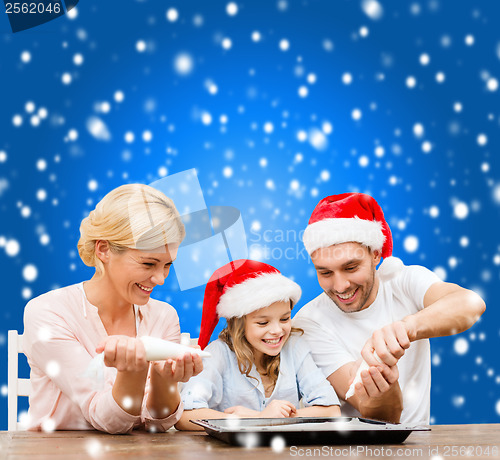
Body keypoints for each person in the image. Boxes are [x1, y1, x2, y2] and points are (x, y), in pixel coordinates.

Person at [23, 183, 203, 434]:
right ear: (104, 249)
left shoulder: (164, 316)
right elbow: (108, 420)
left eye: (167, 265)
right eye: (149, 263)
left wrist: (165, 380)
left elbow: (159, 423)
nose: (161, 279)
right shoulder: (48, 312)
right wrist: (134, 371)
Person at [293, 193, 485, 425]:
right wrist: (385, 387)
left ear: (375, 254)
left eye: (351, 267)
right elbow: (377, 416)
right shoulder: (309, 323)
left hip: (419, 446)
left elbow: (471, 304)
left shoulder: (404, 282)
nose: (340, 286)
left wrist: (407, 327)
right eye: (325, 272)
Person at [175, 259, 341, 431]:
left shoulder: (294, 346)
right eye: (263, 323)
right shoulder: (218, 353)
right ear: (238, 323)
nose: (277, 330)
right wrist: (260, 418)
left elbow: (332, 411)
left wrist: (269, 419)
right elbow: (186, 416)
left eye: (284, 319)